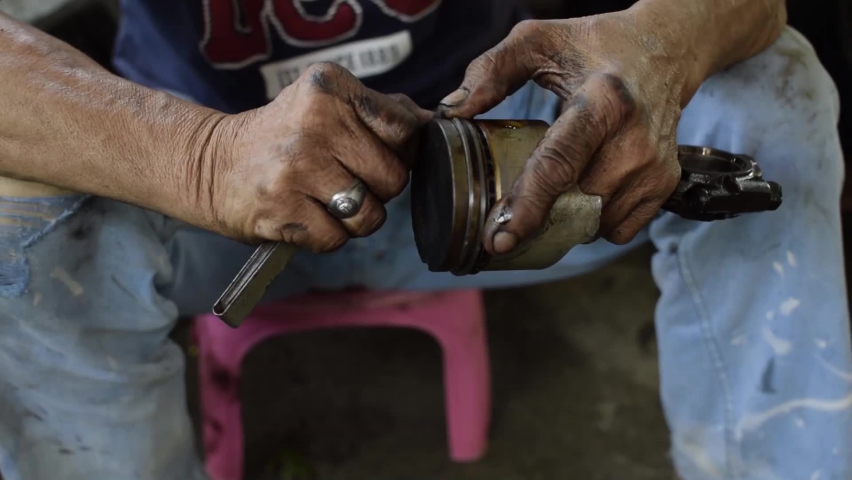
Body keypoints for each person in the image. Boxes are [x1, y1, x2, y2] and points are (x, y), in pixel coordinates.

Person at [0, 0, 849, 478]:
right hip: (196, 210)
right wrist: (198, 156)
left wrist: (662, 48)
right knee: (15, 212)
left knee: (772, 94)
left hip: (503, 171)